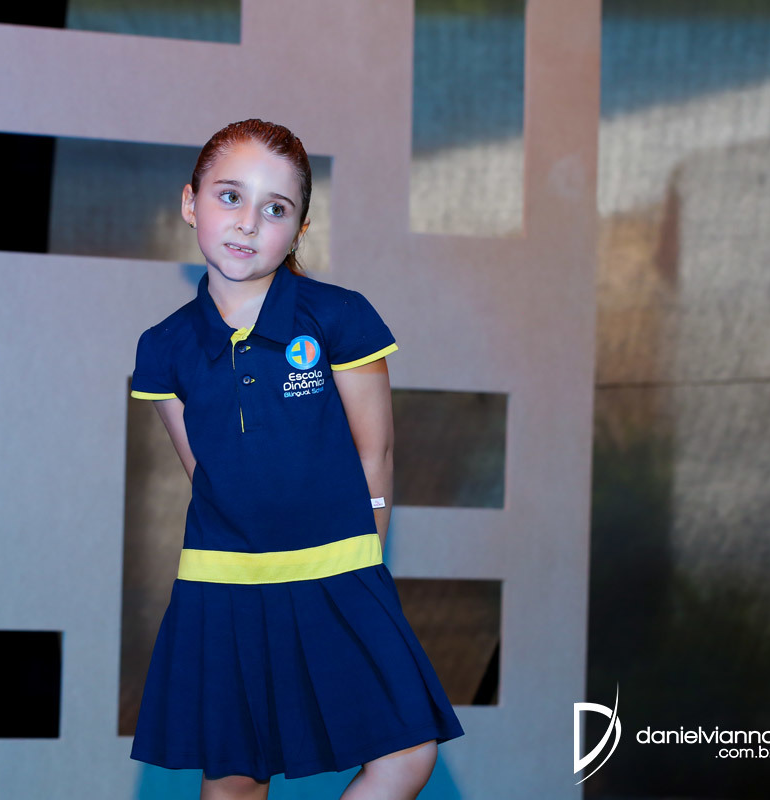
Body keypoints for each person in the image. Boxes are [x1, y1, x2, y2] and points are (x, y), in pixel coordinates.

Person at [128, 119, 464, 800]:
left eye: (275, 208)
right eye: (230, 196)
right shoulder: (162, 347)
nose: (248, 222)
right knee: (235, 781)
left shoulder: (340, 317)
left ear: (299, 229)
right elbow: (203, 472)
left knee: (408, 754)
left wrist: (365, 552)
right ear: (190, 202)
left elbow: (376, 453)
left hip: (340, 569)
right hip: (222, 586)